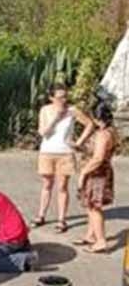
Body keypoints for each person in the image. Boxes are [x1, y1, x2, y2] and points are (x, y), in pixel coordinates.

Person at [32, 84, 94, 232]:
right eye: (60, 97)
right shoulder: (45, 110)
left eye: (65, 96)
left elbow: (90, 124)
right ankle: (41, 215)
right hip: (47, 151)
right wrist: (56, 118)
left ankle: (62, 219)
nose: (63, 100)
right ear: (51, 98)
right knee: (47, 184)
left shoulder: (73, 111)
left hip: (65, 152)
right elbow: (43, 132)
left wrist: (79, 143)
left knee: (62, 186)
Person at [76, 100, 119, 253]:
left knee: (94, 207)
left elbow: (98, 158)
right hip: (101, 172)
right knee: (90, 205)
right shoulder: (110, 131)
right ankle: (91, 235)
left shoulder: (103, 134)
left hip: (97, 175)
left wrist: (83, 173)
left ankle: (101, 241)